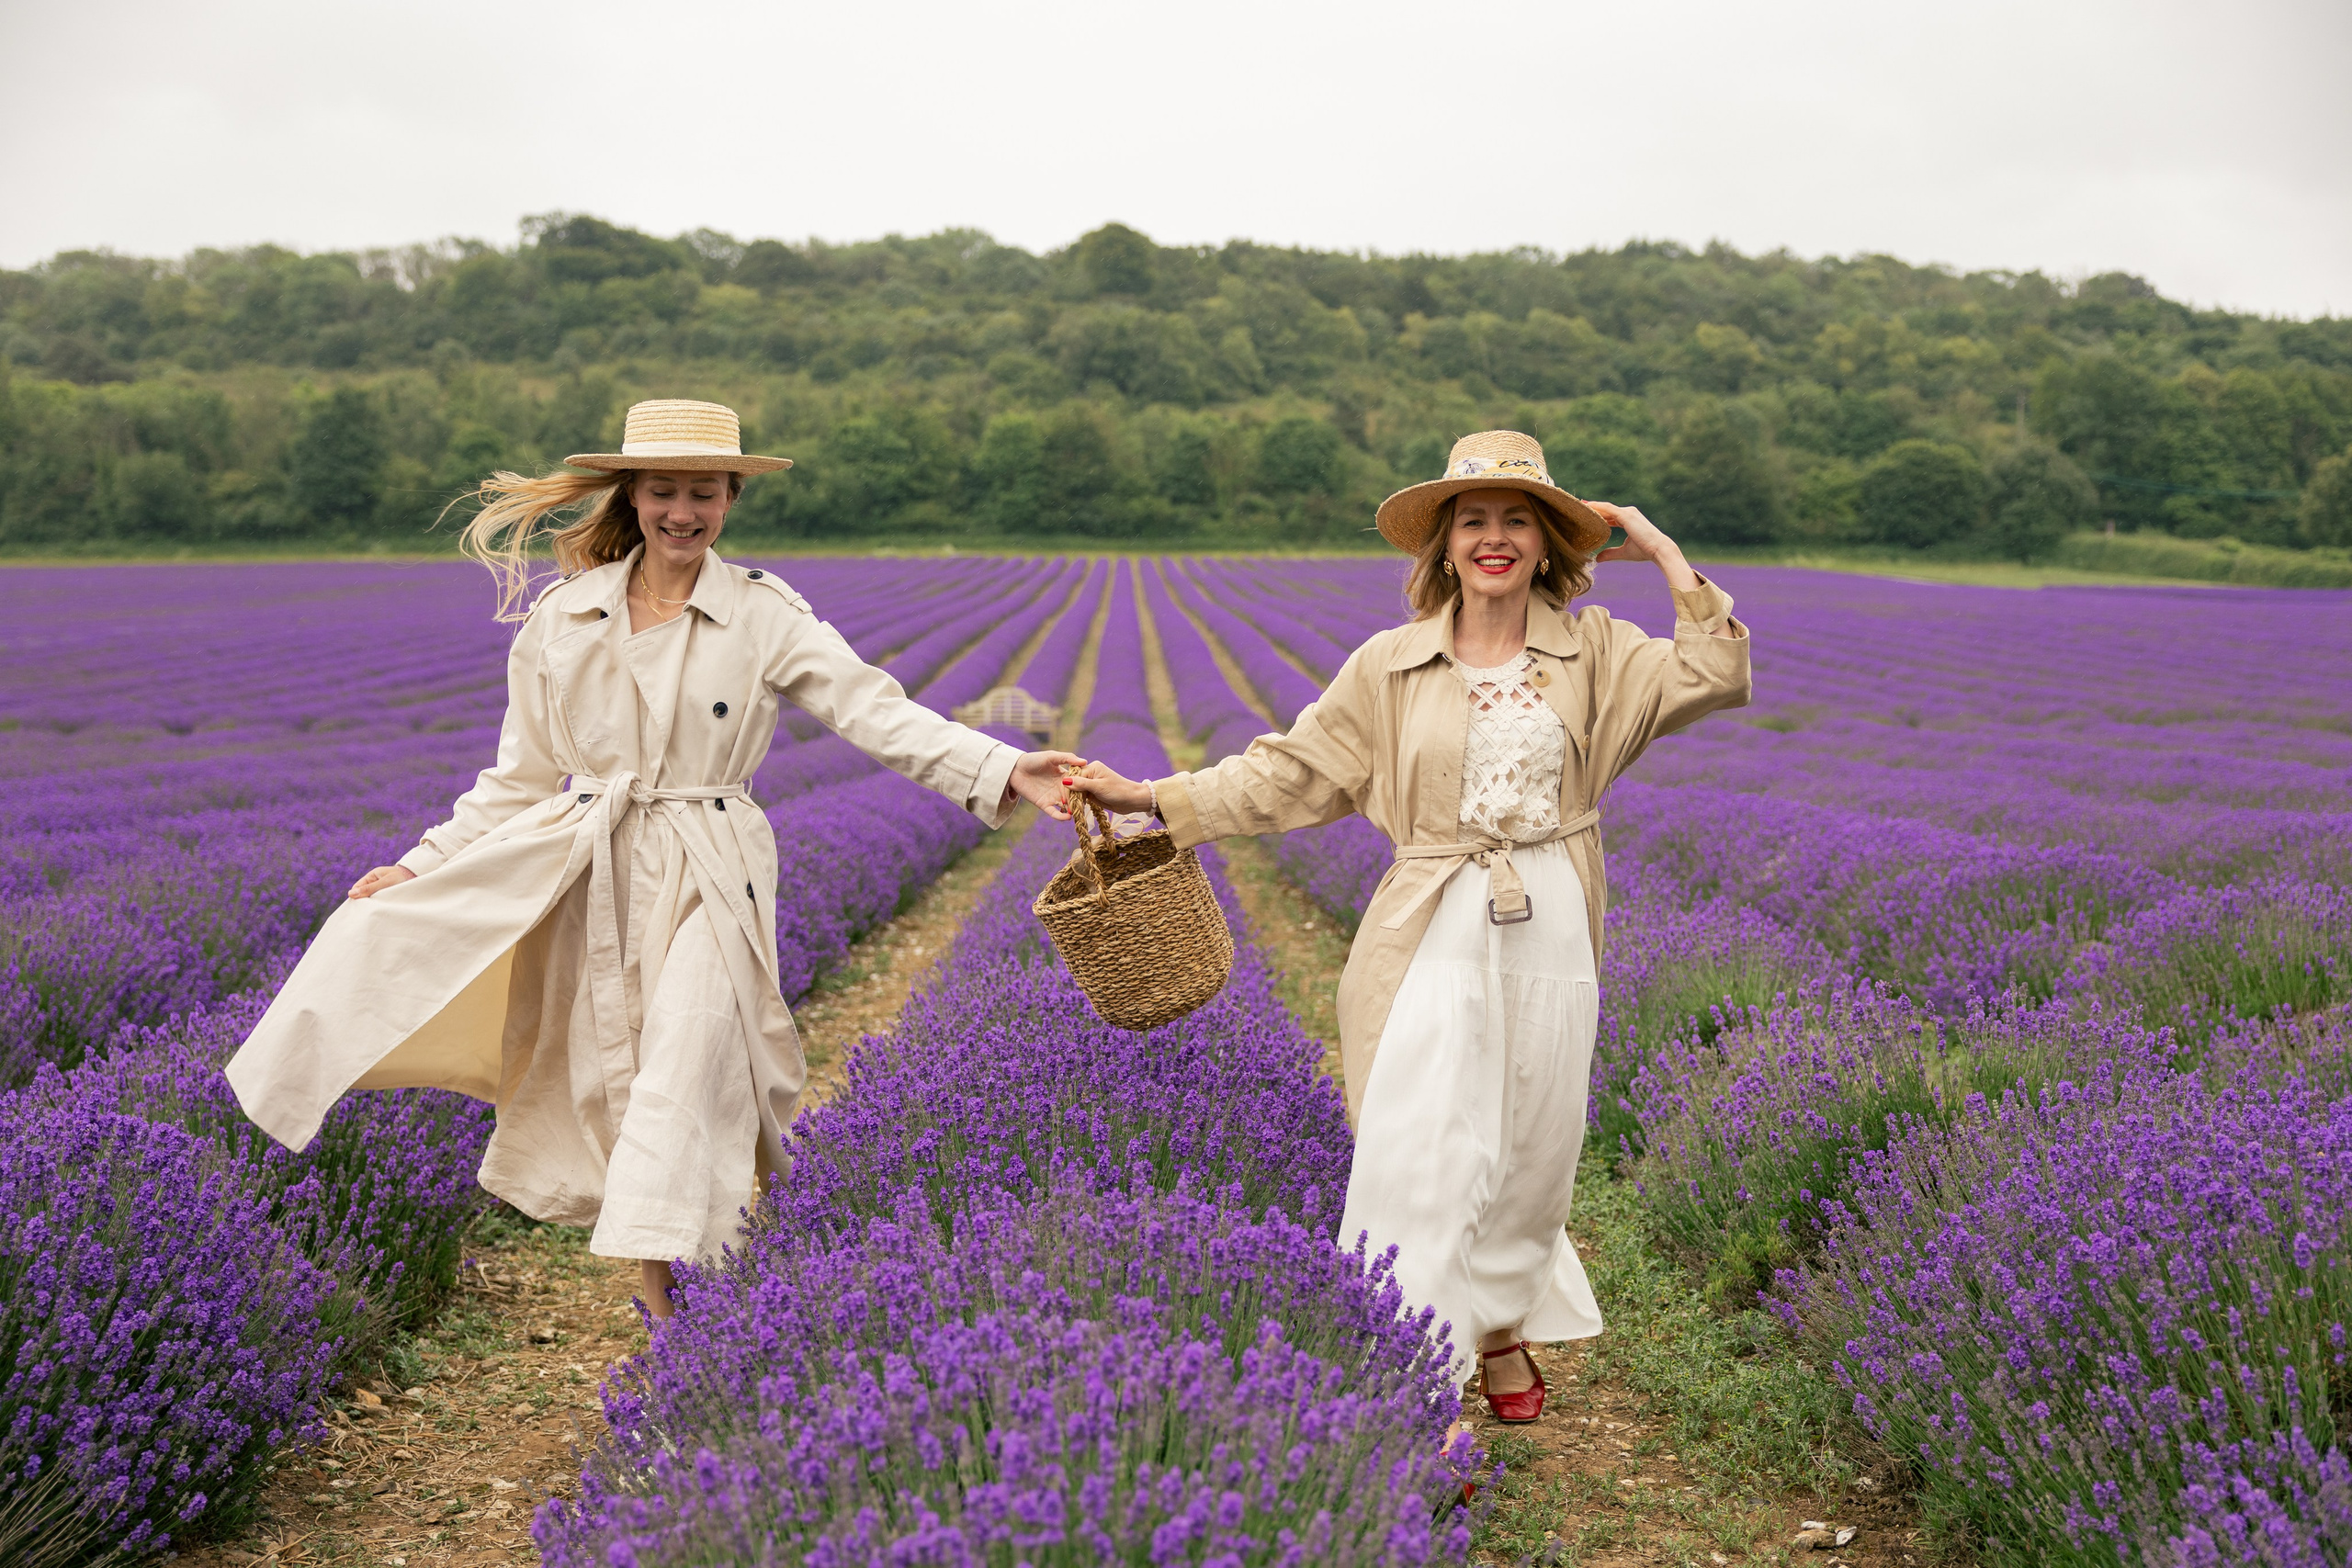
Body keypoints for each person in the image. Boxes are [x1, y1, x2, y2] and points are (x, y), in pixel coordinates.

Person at [227, 399, 1078, 1316]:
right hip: (592, 866)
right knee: (623, 1078)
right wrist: (421, 865)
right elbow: (518, 778)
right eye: (665, 491)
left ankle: (703, 1297)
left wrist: (1003, 763)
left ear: (730, 499)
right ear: (631, 496)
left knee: (690, 1056)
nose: (684, 512)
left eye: (704, 493)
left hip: (710, 861)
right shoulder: (563, 618)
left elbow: (877, 712)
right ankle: (676, 1312)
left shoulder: (762, 613)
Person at [1066, 430, 1749, 1434]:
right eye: (1473, 519)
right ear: (1441, 544)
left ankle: (1500, 1322)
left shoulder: (1597, 651)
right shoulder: (1389, 665)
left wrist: (1656, 548)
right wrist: (1154, 799)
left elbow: (1714, 670)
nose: (1494, 537)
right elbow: (1287, 771)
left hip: (1552, 913)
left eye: (1518, 518)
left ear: (1549, 543)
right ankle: (1412, 1386)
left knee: (1529, 1145)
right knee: (1415, 1146)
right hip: (1432, 918)